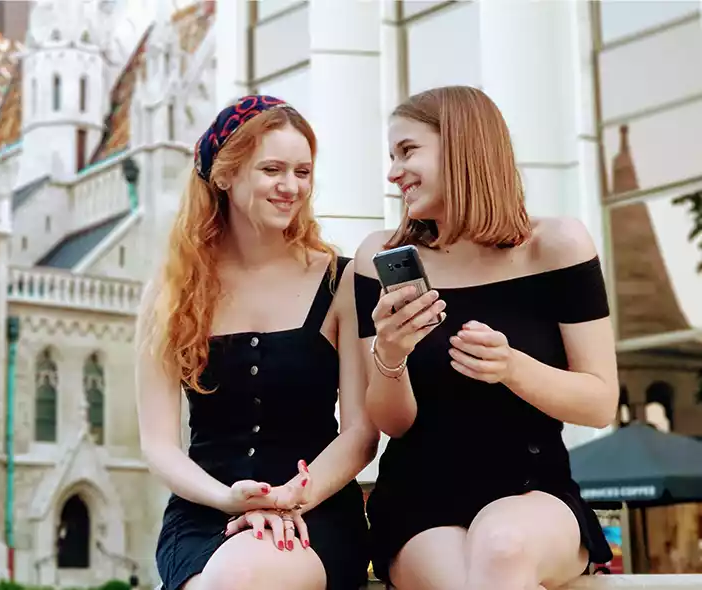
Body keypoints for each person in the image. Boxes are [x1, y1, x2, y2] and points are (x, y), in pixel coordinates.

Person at [353, 85, 618, 590]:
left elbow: (600, 402)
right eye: (391, 156)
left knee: (502, 547)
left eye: (408, 151)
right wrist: (390, 354)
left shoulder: (558, 245)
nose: (392, 173)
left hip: (533, 490)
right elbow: (391, 423)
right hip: (420, 499)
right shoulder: (377, 257)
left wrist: (513, 368)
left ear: (461, 145)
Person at [136, 95, 380, 590]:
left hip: (316, 509)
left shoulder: (342, 280)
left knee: (237, 578)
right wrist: (231, 500)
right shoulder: (170, 292)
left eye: (303, 171)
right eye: (272, 169)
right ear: (225, 174)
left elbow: (360, 435)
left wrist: (288, 498)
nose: (291, 187)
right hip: (204, 513)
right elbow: (159, 445)